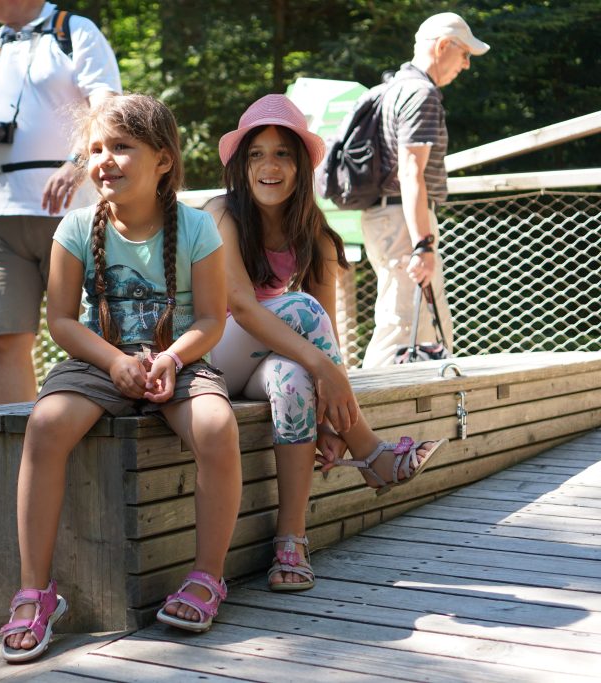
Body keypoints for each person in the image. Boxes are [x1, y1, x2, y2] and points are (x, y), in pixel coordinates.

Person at [0, 94, 241, 662]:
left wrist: (171, 360)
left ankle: (207, 576)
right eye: (96, 149)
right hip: (97, 361)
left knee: (215, 426)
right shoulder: (75, 228)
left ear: (163, 159)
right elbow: (61, 320)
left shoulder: (198, 227)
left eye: (122, 147)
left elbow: (211, 319)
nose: (104, 160)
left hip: (177, 360)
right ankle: (35, 590)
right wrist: (112, 361)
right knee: (46, 425)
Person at [207, 94, 448, 591]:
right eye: (256, 154)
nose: (269, 166)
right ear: (241, 166)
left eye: (282, 154)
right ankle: (372, 452)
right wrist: (331, 378)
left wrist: (327, 415)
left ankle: (291, 543)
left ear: (301, 166)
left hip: (257, 365)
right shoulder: (220, 213)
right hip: (207, 355)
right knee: (300, 311)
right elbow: (244, 308)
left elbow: (327, 339)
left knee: (294, 378)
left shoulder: (313, 232)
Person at [0, 0, 121, 404]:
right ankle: (15, 443)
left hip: (70, 214)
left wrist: (77, 163)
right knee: (5, 341)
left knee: (92, 334)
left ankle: (90, 439)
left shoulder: (74, 31)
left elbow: (106, 107)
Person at [360, 12, 489, 368]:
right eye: (465, 54)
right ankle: (364, 403)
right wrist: (423, 245)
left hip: (387, 217)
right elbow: (410, 171)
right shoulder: (422, 94)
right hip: (404, 222)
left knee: (425, 327)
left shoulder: (392, 88)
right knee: (400, 327)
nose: (466, 65)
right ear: (444, 45)